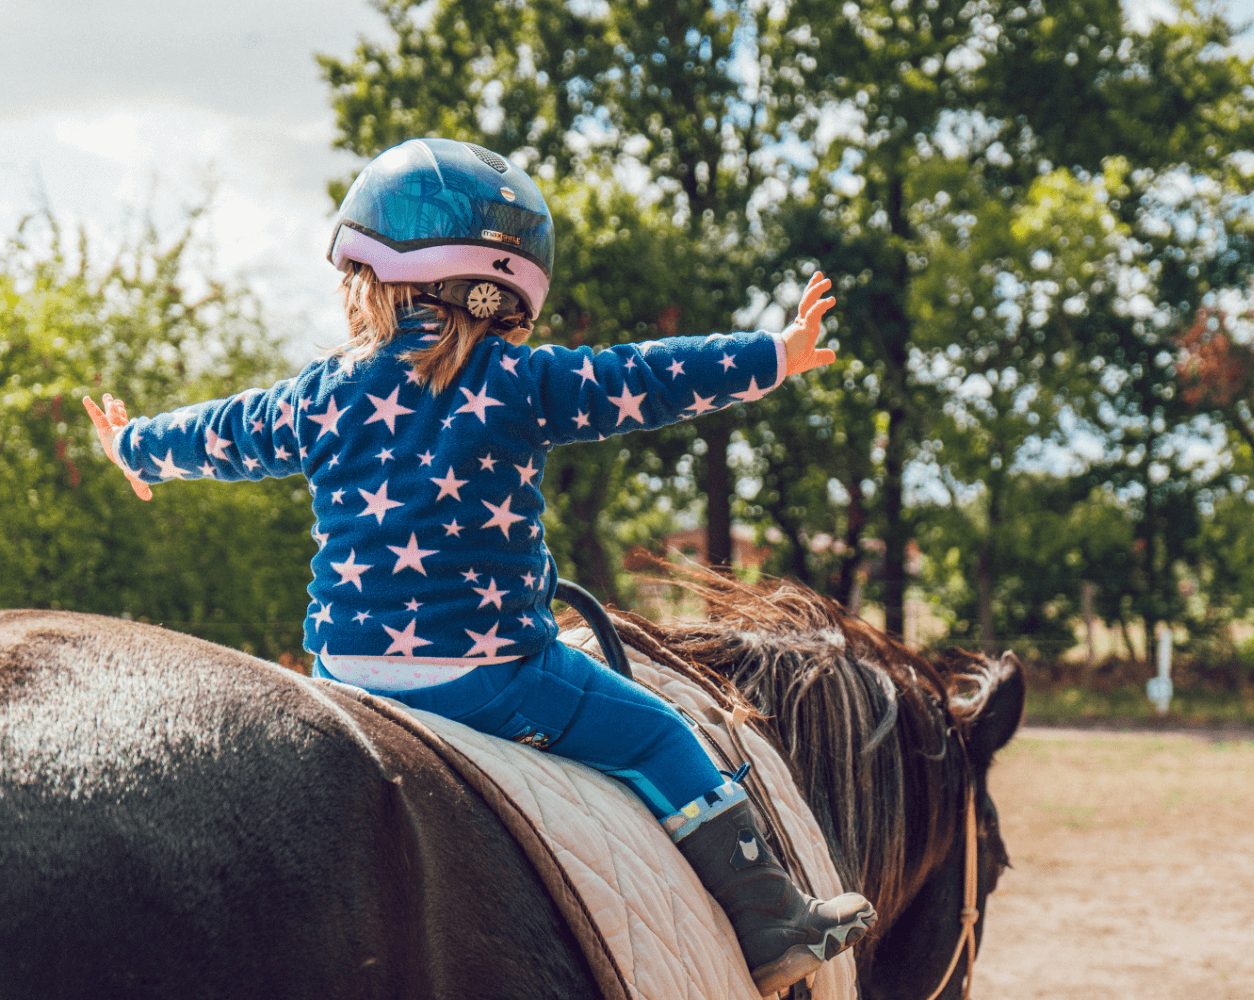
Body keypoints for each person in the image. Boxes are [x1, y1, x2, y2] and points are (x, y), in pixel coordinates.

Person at [85, 137, 874, 994]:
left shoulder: (320, 390)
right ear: (510, 293)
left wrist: (134, 446)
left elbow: (226, 432)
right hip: (492, 677)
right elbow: (646, 376)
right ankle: (768, 922)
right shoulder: (522, 381)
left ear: (367, 277)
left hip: (344, 676)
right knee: (659, 733)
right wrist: (775, 354)